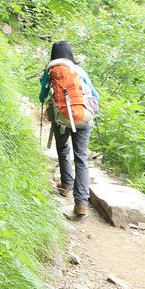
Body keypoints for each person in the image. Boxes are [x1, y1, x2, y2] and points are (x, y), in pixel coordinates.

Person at [38, 41, 99, 216]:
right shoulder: (79, 71)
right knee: (81, 158)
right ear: (70, 54)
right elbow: (95, 95)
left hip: (62, 119)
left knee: (63, 150)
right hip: (83, 117)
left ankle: (66, 186)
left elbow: (42, 97)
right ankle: (81, 203)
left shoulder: (50, 72)